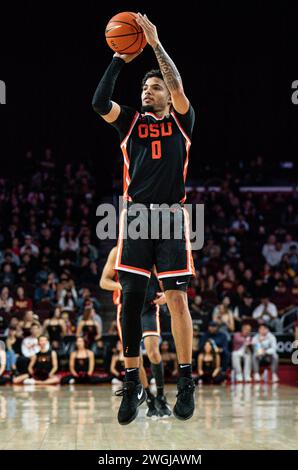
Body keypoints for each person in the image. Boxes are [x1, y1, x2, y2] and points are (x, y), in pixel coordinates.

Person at [93, 12, 195, 424]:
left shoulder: (182, 121)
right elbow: (99, 103)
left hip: (171, 217)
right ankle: (132, 381)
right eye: (145, 87)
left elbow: (177, 85)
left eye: (155, 87)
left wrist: (153, 43)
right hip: (135, 216)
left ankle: (185, 382)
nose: (148, 91)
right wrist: (120, 57)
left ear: (168, 96)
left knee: (176, 299)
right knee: (130, 300)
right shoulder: (130, 123)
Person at [100, 246, 171, 418]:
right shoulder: (117, 252)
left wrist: (167, 296)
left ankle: (161, 396)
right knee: (134, 357)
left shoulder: (152, 250)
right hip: (126, 307)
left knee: (153, 351)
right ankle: (148, 398)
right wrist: (121, 285)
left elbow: (168, 282)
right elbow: (104, 282)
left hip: (148, 306)